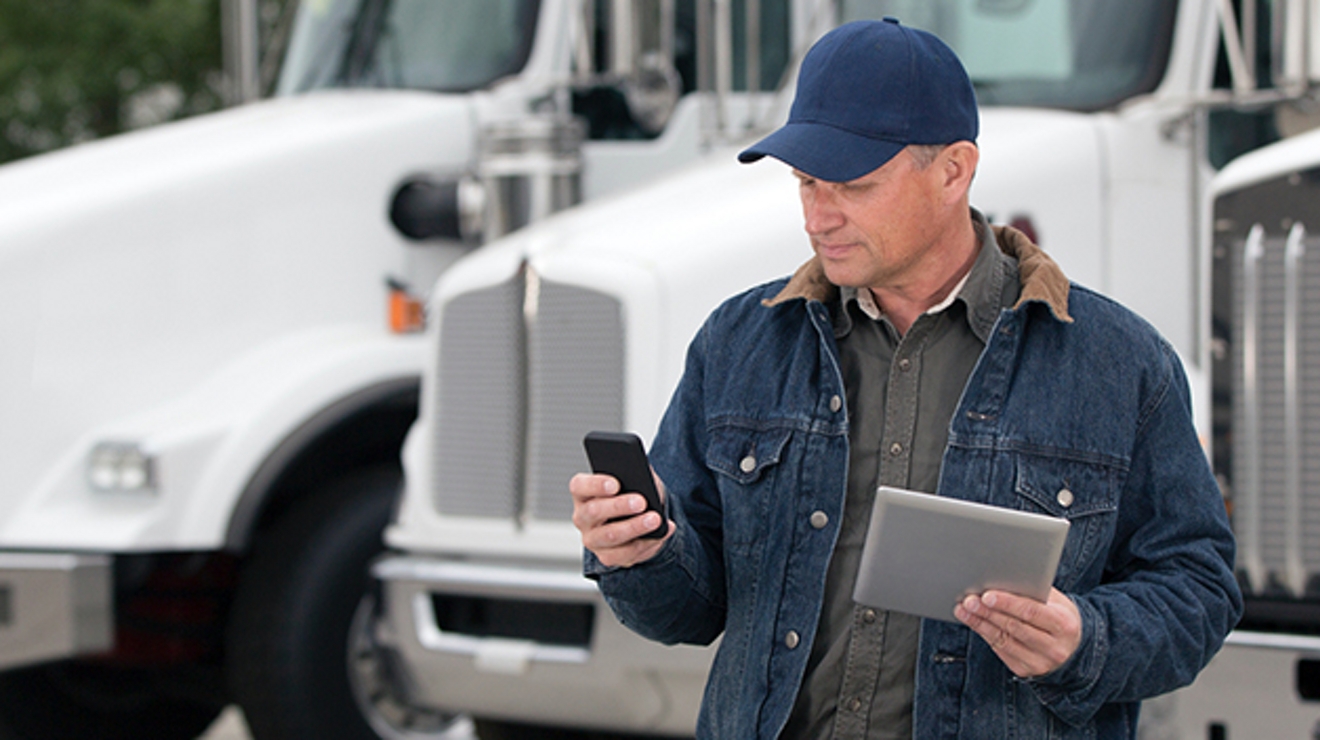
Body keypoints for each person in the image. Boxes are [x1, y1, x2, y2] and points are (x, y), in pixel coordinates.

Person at [570, 17, 1241, 739]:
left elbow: (1198, 591)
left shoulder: (1118, 363)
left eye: (853, 186)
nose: (818, 216)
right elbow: (688, 613)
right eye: (805, 182)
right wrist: (641, 551)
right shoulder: (740, 343)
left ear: (954, 170)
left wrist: (1086, 637)